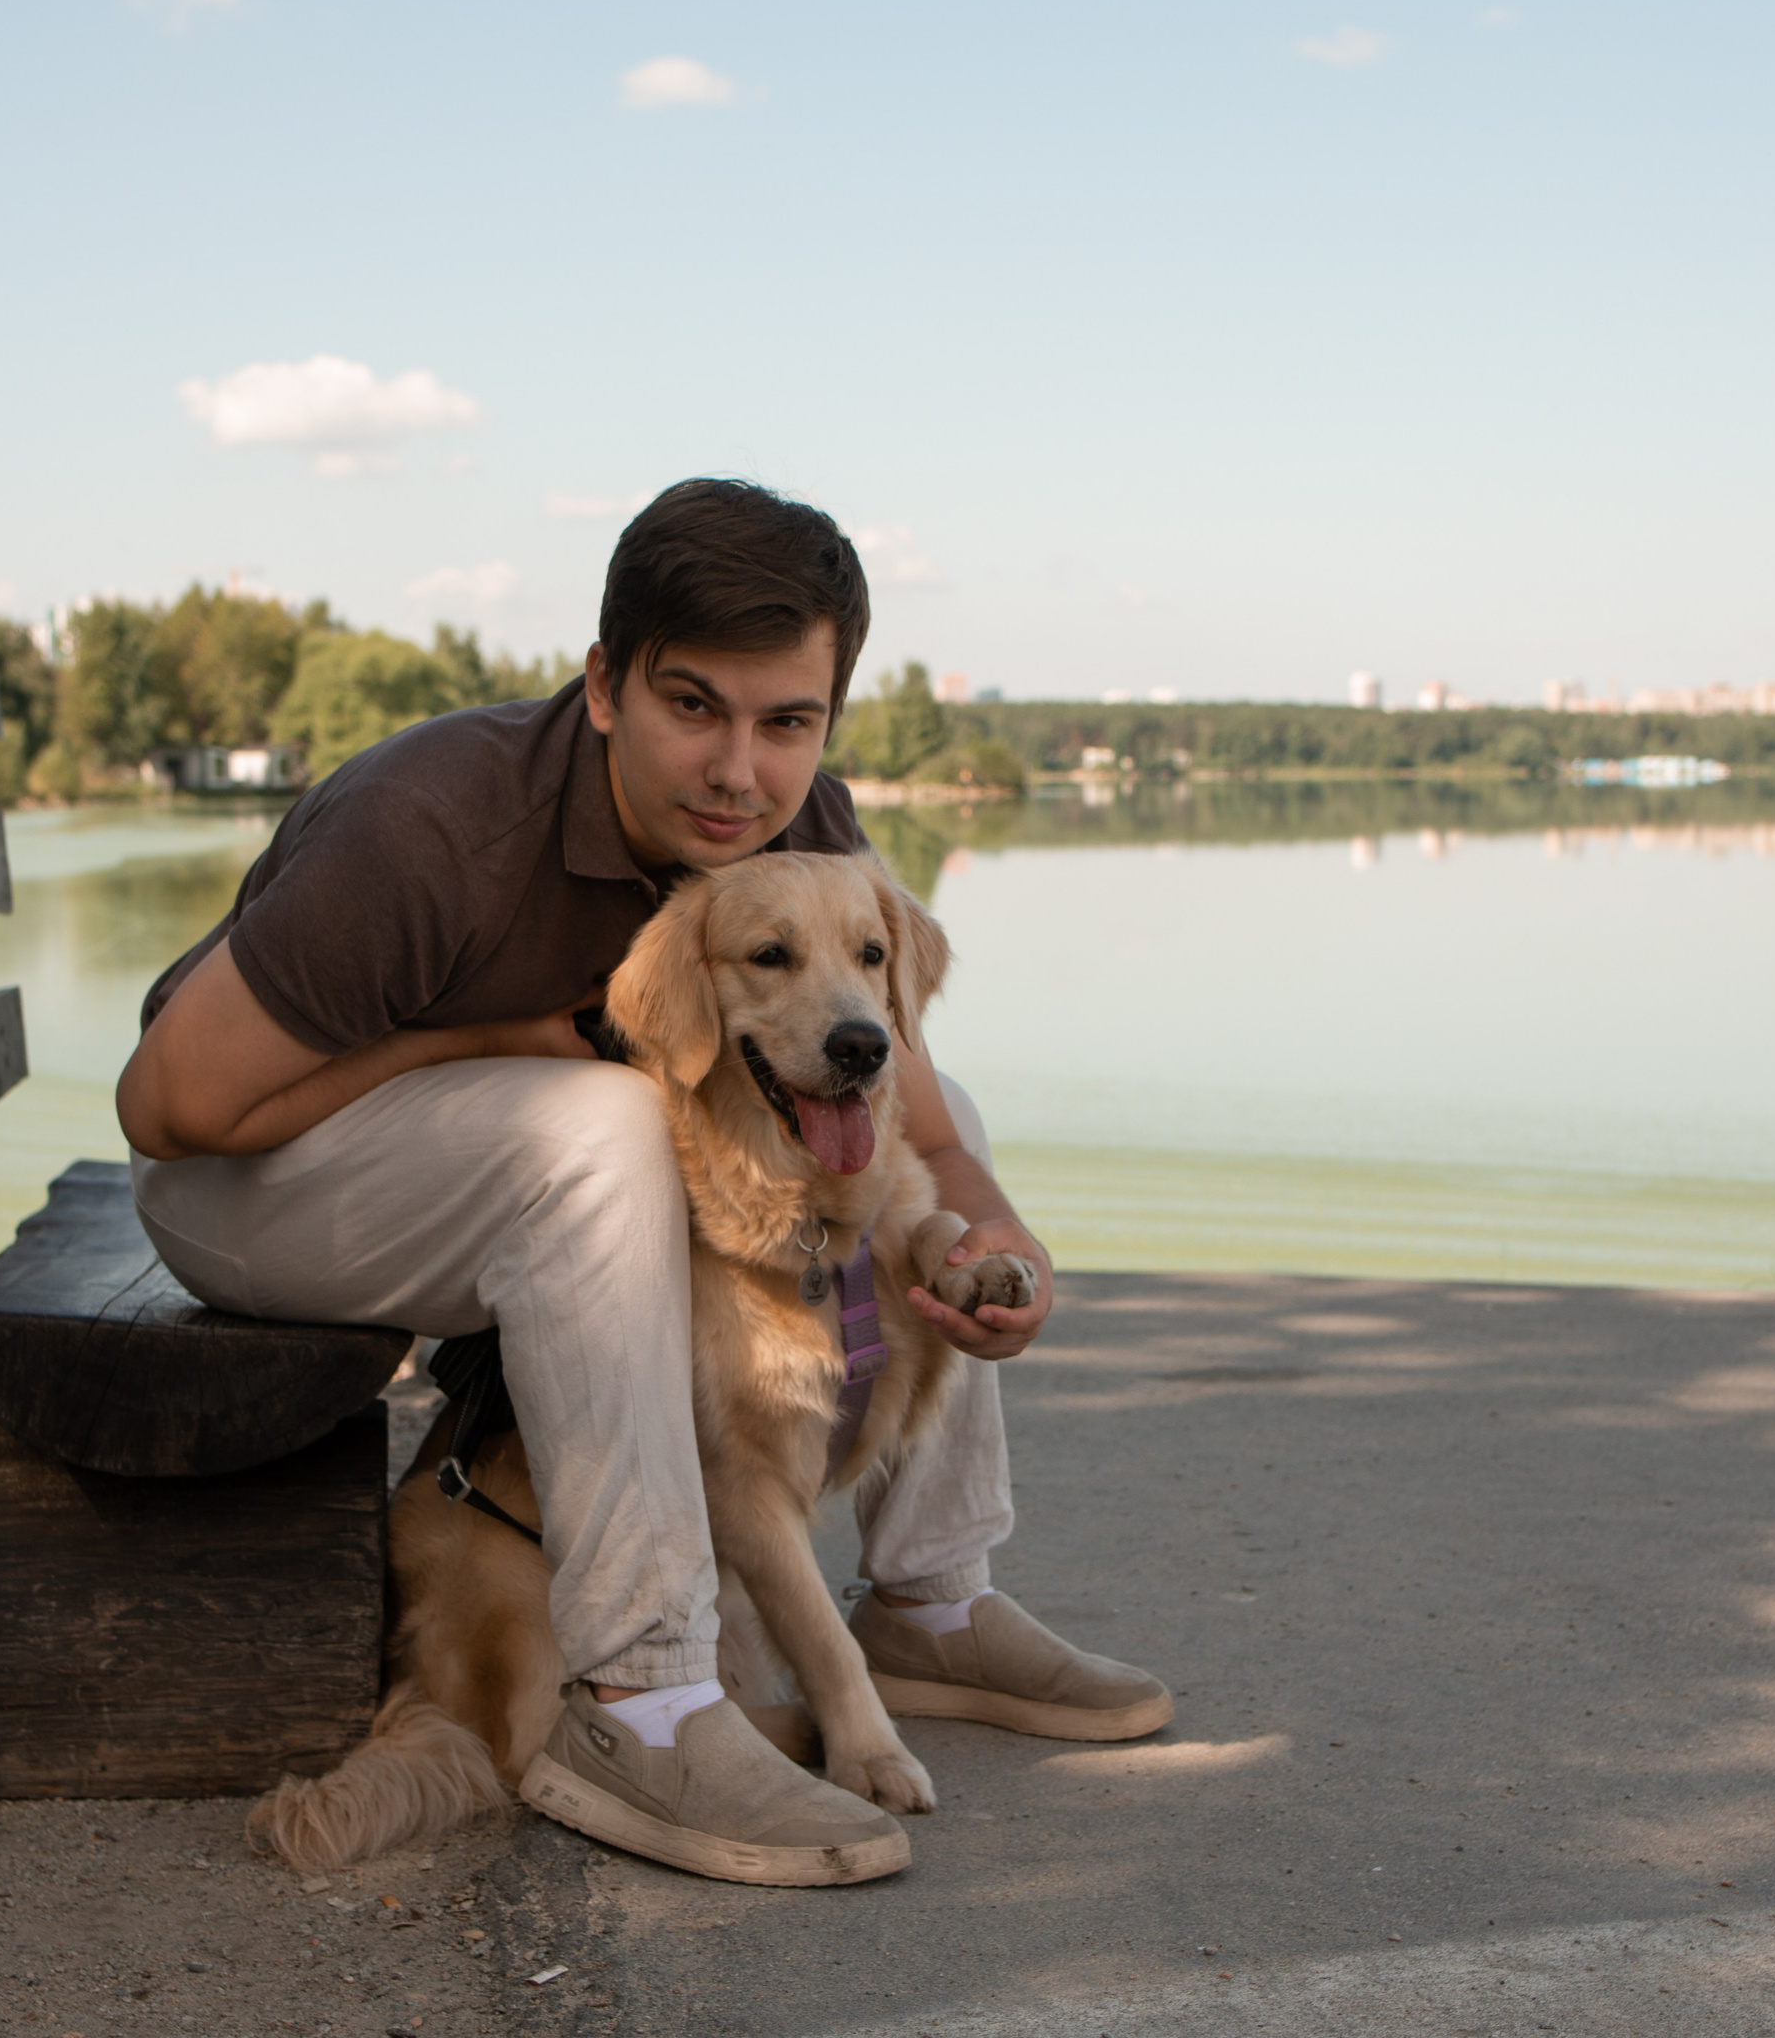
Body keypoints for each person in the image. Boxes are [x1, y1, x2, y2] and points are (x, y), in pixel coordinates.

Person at [117, 479, 1168, 1883]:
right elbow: (173, 1107)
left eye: (787, 721)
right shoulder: (429, 830)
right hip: (251, 1187)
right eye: (695, 707)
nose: (740, 769)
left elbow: (914, 1090)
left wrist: (988, 1222)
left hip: (474, 1157)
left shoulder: (795, 831)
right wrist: (505, 1038)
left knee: (906, 1105)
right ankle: (648, 1700)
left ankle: (927, 1596)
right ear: (604, 684)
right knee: (606, 1125)